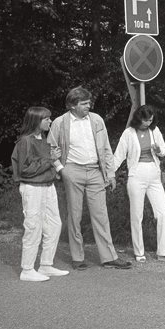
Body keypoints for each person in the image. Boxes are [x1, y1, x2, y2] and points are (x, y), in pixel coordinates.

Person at [48, 87, 131, 270]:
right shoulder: (60, 123)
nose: (88, 106)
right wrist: (62, 170)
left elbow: (106, 148)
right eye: (84, 103)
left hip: (96, 171)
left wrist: (110, 174)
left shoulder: (96, 120)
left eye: (88, 102)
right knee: (75, 216)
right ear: (72, 105)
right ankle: (77, 257)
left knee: (101, 216)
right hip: (72, 171)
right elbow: (50, 150)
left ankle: (109, 257)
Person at [10, 107, 70, 282]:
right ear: (36, 121)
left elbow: (46, 164)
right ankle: (27, 269)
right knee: (33, 226)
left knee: (54, 225)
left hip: (47, 186)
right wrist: (50, 159)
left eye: (50, 118)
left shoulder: (43, 140)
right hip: (32, 188)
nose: (50, 122)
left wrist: (54, 161)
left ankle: (45, 264)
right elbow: (25, 169)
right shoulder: (25, 142)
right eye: (46, 119)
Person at [113, 105, 165, 263]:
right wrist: (109, 173)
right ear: (138, 118)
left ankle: (163, 252)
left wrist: (158, 149)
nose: (148, 123)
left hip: (154, 174)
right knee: (137, 214)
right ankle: (139, 251)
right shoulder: (129, 133)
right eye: (146, 120)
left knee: (162, 212)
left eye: (151, 120)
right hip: (137, 174)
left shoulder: (155, 131)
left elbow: (164, 151)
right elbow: (119, 154)